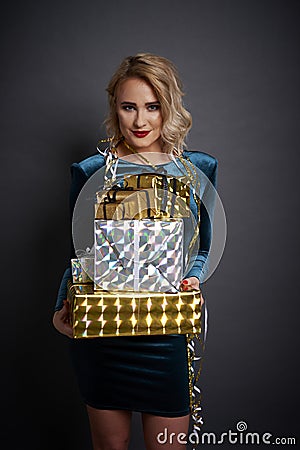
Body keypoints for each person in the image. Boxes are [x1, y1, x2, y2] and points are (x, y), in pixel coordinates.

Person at [53, 53, 218, 450]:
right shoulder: (91, 170)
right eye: (129, 107)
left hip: (164, 333)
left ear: (169, 108)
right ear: (115, 108)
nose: (140, 121)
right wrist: (62, 306)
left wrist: (194, 274)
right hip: (103, 335)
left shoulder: (198, 169)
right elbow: (81, 250)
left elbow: (205, 243)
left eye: (152, 107)